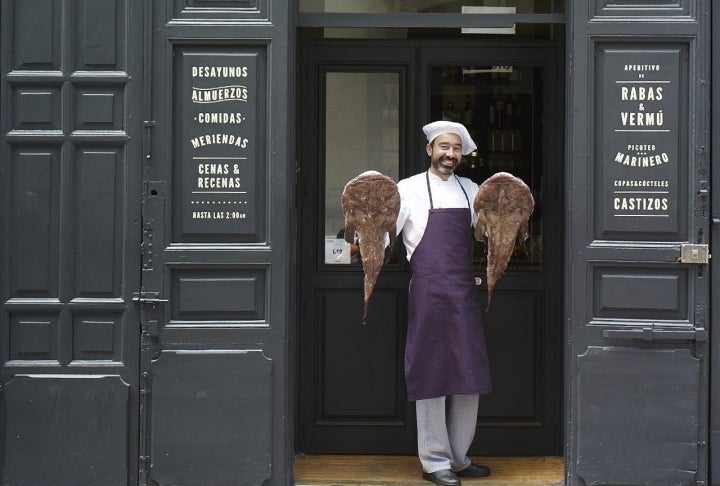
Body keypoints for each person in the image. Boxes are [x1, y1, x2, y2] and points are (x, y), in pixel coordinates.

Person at [395, 121, 492, 486]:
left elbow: (487, 231)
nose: (450, 154)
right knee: (432, 372)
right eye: (443, 147)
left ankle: (459, 457)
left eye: (456, 149)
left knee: (469, 374)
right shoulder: (408, 189)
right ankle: (434, 461)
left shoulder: (472, 190)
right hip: (429, 292)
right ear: (429, 150)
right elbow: (387, 233)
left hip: (463, 291)